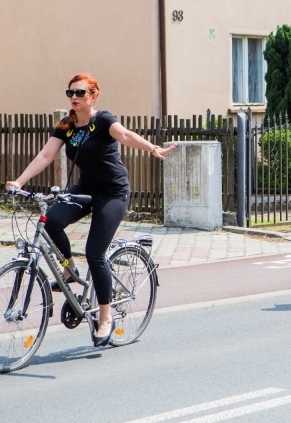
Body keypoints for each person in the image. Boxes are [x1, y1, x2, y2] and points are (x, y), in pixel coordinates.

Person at [5, 73, 177, 347]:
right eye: (70, 92)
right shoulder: (66, 125)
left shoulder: (104, 120)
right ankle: (70, 271)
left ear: (93, 96)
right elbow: (45, 155)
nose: (74, 97)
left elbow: (125, 135)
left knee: (95, 252)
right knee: (50, 220)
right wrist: (20, 181)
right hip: (84, 189)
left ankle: (106, 317)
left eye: (80, 92)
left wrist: (151, 147)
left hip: (112, 193)